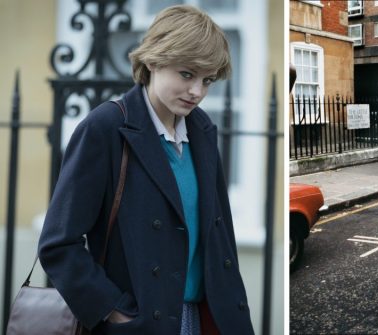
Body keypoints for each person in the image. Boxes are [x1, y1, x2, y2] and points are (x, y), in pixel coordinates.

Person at [38, 5, 254, 334]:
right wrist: (113, 309)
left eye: (207, 80)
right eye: (187, 74)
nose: (197, 91)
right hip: (141, 322)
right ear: (153, 60)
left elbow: (218, 234)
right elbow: (58, 244)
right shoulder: (106, 128)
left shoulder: (202, 130)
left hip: (202, 318)